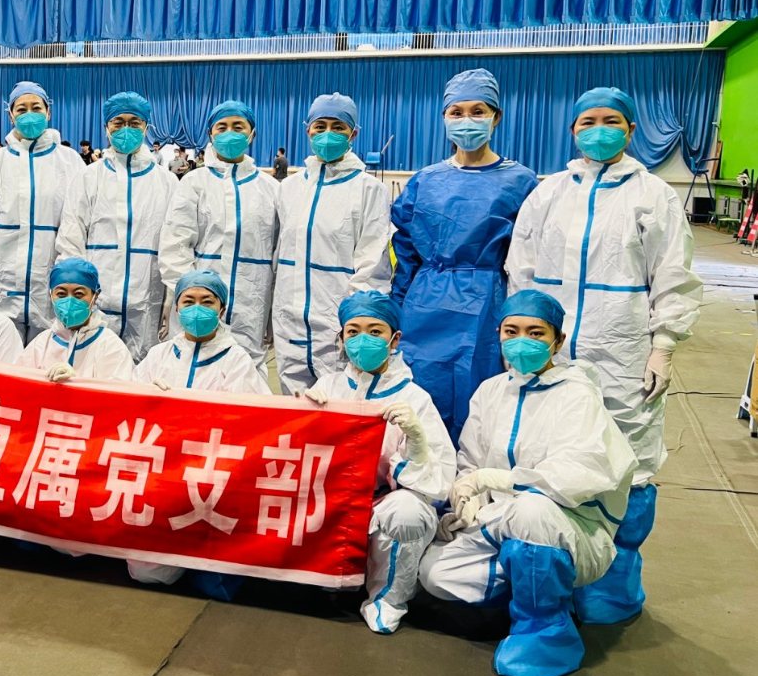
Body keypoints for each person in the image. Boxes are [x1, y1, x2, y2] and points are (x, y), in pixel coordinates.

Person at [505, 86, 701, 623]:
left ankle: (615, 584)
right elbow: (521, 270)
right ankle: (548, 564)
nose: (598, 130)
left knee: (630, 460)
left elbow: (674, 275)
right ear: (572, 130)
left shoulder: (653, 195)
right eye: (587, 121)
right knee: (552, 450)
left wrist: (664, 345)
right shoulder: (548, 193)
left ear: (631, 130)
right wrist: (522, 339)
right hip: (552, 352)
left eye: (610, 121)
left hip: (622, 352)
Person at [418, 290, 636, 676]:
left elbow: (578, 473)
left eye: (536, 333)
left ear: (558, 340)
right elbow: (471, 459)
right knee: (435, 574)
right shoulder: (490, 391)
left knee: (530, 510)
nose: (522, 341)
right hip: (501, 522)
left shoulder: (576, 395)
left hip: (570, 528)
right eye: (512, 331)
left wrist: (504, 481)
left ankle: (546, 633)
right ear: (499, 335)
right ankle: (533, 587)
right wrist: (467, 496)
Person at [389, 69, 540, 442]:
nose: (467, 120)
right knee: (420, 401)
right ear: (444, 117)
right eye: (457, 112)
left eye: (478, 111)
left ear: (496, 117)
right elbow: (405, 254)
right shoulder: (425, 181)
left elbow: (530, 259)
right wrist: (396, 310)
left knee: (481, 403)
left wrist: (521, 318)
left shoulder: (521, 182)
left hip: (486, 307)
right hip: (424, 306)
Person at [303, 291, 455, 634]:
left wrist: (417, 442)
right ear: (341, 337)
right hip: (335, 500)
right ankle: (326, 575)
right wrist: (304, 413)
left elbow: (439, 481)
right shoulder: (327, 386)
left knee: (408, 512)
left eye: (375, 331)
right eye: (353, 331)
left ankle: (388, 599)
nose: (363, 340)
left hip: (382, 503)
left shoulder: (415, 398)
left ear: (395, 339)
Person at [130, 269, 270, 598]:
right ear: (177, 307)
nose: (197, 309)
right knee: (145, 573)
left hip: (211, 476)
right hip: (161, 472)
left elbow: (255, 424)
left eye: (207, 302)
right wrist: (147, 399)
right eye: (189, 301)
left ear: (222, 309)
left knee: (215, 577)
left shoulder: (237, 361)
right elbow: (126, 410)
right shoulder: (160, 355)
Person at [272, 93, 391, 394]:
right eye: (320, 126)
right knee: (294, 407)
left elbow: (372, 265)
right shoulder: (289, 188)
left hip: (337, 323)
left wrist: (354, 322)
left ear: (353, 134)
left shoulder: (369, 190)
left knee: (341, 402)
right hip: (289, 323)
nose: (328, 134)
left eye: (338, 127)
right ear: (308, 130)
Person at [56, 93, 177, 360]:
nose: (126, 129)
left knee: (143, 373)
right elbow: (71, 237)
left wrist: (171, 294)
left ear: (146, 127)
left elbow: (175, 244)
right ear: (106, 127)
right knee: (94, 369)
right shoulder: (89, 177)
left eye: (134, 122)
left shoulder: (167, 183)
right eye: (118, 122)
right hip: (97, 301)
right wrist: (76, 292)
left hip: (147, 301)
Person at [0, 81, 86, 343]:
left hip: (50, 282)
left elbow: (77, 224)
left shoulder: (70, 161)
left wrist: (69, 277)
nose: (29, 114)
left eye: (36, 108)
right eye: (21, 109)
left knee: (48, 356)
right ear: (10, 115)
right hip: (2, 282)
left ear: (48, 112)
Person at [159, 100, 279, 363]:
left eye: (238, 127)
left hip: (251, 306)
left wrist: (273, 314)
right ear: (210, 134)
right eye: (222, 127)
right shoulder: (194, 182)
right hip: (200, 307)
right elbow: (175, 245)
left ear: (252, 134)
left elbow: (277, 253)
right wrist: (190, 297)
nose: (230, 133)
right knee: (192, 371)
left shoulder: (271, 189)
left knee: (246, 372)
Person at [19, 258, 135, 381]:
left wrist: (77, 383)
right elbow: (19, 385)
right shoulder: (40, 344)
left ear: (95, 297)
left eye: (78, 294)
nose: (70, 301)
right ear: (51, 295)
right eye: (61, 294)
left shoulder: (110, 346)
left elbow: (118, 391)